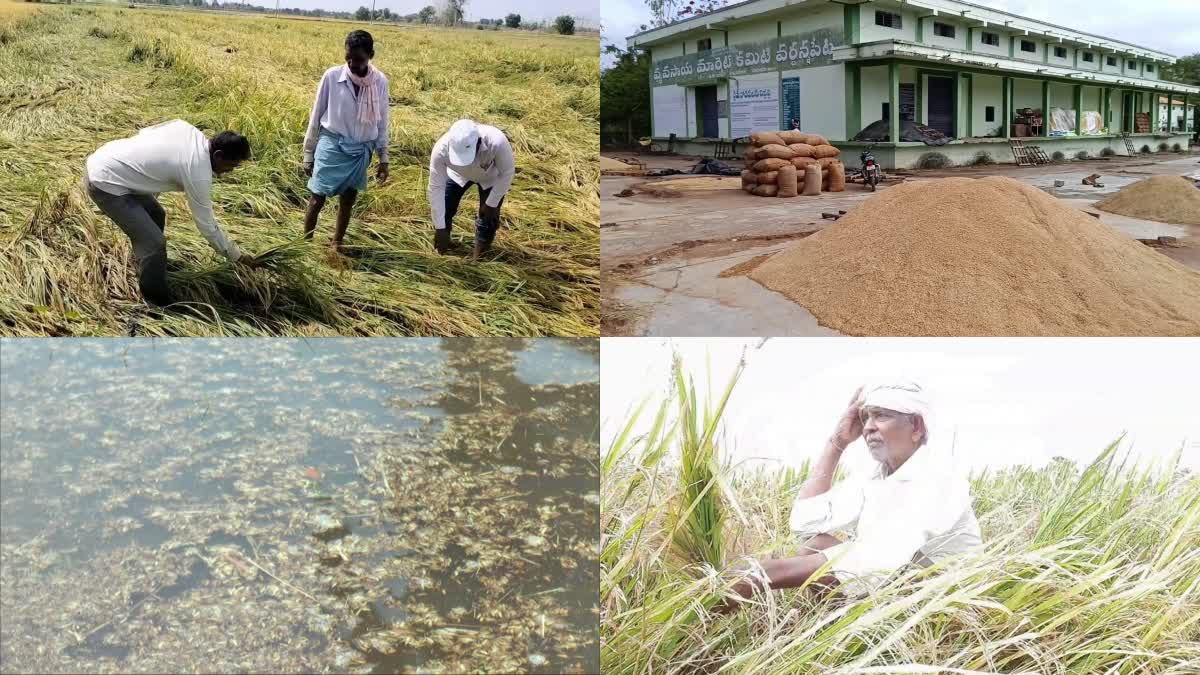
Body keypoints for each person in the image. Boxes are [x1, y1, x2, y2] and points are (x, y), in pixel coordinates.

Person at [722, 382, 983, 609]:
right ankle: (838, 627)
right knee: (815, 544)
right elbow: (805, 522)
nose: (868, 427)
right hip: (900, 585)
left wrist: (771, 573)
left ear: (915, 425)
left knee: (761, 574)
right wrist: (837, 443)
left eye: (880, 416)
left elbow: (881, 559)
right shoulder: (875, 476)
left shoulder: (940, 478)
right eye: (865, 417)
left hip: (946, 601)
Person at [84, 120, 258, 306]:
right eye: (231, 165)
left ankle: (148, 264)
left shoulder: (187, 129)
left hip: (108, 157)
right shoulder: (198, 171)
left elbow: (146, 133)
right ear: (218, 155)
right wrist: (237, 257)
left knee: (156, 214)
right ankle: (156, 301)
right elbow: (207, 225)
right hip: (104, 182)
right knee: (155, 243)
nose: (228, 172)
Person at [302, 29, 390, 252]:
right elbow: (316, 114)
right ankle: (304, 244)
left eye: (359, 59)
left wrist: (384, 158)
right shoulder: (332, 77)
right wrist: (308, 153)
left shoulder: (380, 82)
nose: (352, 63)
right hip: (331, 146)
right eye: (348, 57)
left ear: (371, 55)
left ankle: (336, 242)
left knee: (348, 199)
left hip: (361, 150)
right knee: (316, 198)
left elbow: (382, 122)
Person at [428, 118, 515, 259]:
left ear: (479, 143)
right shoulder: (440, 150)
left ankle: (479, 258)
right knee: (445, 206)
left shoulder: (496, 141)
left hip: (489, 176)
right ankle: (446, 241)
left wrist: (491, 203)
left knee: (488, 219)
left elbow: (507, 172)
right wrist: (440, 227)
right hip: (458, 174)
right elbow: (436, 187)